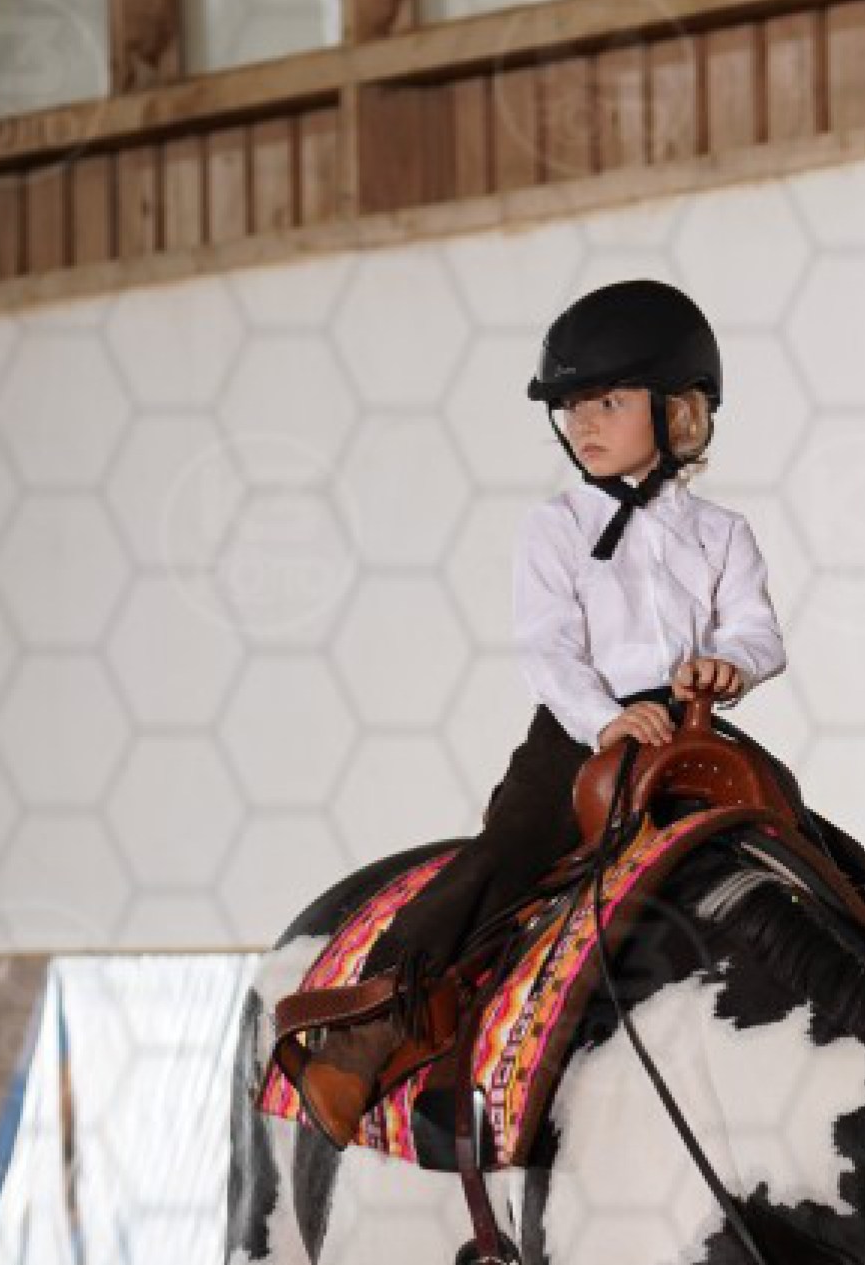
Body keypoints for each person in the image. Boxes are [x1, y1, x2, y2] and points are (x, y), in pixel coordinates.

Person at [295, 277, 786, 1133]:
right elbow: (548, 649)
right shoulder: (555, 527)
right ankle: (373, 1023)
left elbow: (758, 630)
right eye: (571, 407)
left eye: (608, 401)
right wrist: (605, 718)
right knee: (511, 847)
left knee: (798, 826)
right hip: (580, 730)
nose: (583, 423)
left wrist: (727, 666)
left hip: (690, 725)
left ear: (676, 410)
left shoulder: (723, 533)